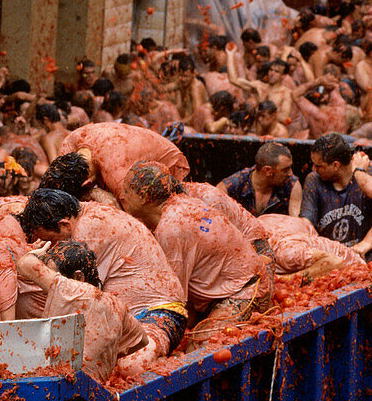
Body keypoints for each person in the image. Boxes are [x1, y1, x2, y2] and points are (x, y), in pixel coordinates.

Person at [16, 188, 187, 355]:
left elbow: (72, 293)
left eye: (52, 241)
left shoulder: (86, 233)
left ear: (64, 225)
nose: (51, 247)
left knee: (132, 365)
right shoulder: (82, 212)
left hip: (160, 313)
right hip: (129, 321)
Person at [122, 163, 272, 347]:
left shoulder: (172, 228)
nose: (122, 196)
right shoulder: (180, 203)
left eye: (127, 192)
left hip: (247, 291)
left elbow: (173, 299)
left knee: (199, 347)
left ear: (145, 197)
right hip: (228, 287)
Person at [15, 241, 149, 381]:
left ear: (78, 277)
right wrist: (104, 352)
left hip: (66, 384)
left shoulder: (73, 290)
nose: (47, 279)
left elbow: (25, 264)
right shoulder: (116, 304)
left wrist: (37, 253)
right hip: (95, 388)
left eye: (52, 273)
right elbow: (142, 340)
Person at [301, 133, 372, 255]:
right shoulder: (314, 180)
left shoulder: (370, 169)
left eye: (319, 166)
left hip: (371, 252)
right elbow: (306, 222)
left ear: (335, 165)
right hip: (332, 257)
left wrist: (367, 242)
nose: (314, 169)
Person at [57, 122, 190, 201]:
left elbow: (133, 219)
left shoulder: (116, 173)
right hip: (121, 145)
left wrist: (94, 193)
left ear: (87, 183)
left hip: (170, 161)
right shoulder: (67, 148)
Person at [258, 214, 364, 280]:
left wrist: (286, 279)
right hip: (323, 263)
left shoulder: (286, 251)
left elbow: (336, 263)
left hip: (354, 273)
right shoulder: (262, 221)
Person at [218, 141, 302, 216]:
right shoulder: (234, 184)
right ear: (267, 170)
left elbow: (296, 222)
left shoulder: (291, 185)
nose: (290, 173)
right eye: (285, 170)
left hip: (279, 231)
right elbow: (212, 216)